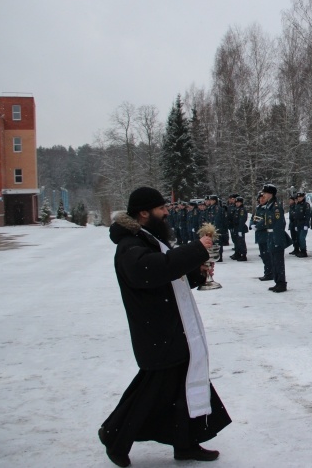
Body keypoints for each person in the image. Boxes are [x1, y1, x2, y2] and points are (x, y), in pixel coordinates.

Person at [100, 187, 230, 467]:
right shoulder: (129, 245)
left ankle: (185, 443)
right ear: (144, 213)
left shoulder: (147, 239)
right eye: (162, 208)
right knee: (151, 392)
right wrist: (196, 250)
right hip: (156, 331)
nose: (167, 213)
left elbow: (168, 274)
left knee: (179, 387)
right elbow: (150, 271)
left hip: (169, 328)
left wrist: (196, 273)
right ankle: (115, 438)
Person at [254, 185, 288, 293]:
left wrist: (277, 240)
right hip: (270, 236)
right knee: (273, 261)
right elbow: (266, 221)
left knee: (278, 262)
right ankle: (277, 281)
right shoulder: (269, 205)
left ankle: (281, 283)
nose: (263, 195)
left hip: (275, 237)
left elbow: (279, 224)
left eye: (265, 193)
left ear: (271, 194)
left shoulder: (276, 207)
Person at [231, 197, 248, 262]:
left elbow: (242, 220)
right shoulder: (236, 209)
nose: (237, 204)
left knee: (241, 242)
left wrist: (240, 229)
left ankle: (243, 255)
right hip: (236, 227)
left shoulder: (242, 210)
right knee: (237, 242)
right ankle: (237, 253)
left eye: (238, 202)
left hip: (240, 227)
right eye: (236, 202)